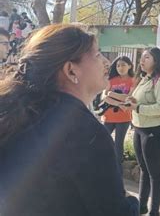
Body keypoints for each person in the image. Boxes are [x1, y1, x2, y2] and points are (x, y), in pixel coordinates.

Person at [0, 24, 139, 216]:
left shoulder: (20, 115)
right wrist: (132, 203)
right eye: (98, 55)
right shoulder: (86, 133)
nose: (106, 62)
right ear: (71, 70)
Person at [118, 48, 160, 216]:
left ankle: (155, 211)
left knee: (155, 172)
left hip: (153, 131)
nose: (142, 61)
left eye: (146, 57)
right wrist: (132, 102)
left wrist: (138, 107)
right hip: (139, 129)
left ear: (156, 60)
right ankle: (142, 207)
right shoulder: (145, 79)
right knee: (144, 169)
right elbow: (140, 101)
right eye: (141, 58)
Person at [101, 56, 135, 166]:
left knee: (118, 144)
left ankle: (117, 168)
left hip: (124, 118)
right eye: (118, 65)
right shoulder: (111, 80)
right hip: (109, 117)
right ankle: (103, 162)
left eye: (123, 65)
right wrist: (119, 103)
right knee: (102, 139)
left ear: (130, 66)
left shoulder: (133, 81)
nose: (120, 68)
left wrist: (112, 94)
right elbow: (104, 97)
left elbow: (129, 98)